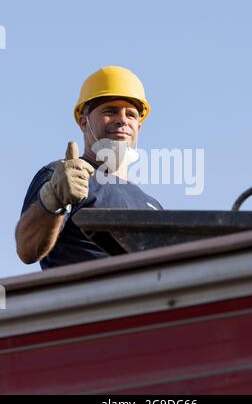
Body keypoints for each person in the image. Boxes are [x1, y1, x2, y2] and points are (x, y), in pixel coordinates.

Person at [15, 66, 163, 269]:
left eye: (131, 114)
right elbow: (27, 249)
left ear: (138, 127)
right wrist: (52, 200)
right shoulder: (65, 176)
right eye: (110, 111)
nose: (122, 120)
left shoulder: (151, 205)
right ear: (84, 123)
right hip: (87, 299)